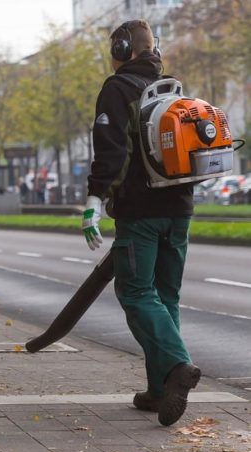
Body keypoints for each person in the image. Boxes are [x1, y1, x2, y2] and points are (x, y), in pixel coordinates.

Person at [81, 19, 200, 427]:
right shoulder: (172, 88)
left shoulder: (117, 90)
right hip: (180, 209)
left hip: (140, 213)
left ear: (121, 48)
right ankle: (158, 390)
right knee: (165, 298)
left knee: (135, 293)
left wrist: (94, 201)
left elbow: (111, 154)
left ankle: (178, 366)